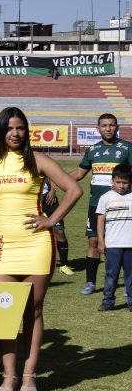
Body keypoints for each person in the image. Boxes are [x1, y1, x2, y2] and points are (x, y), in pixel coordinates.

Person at [0, 107, 81, 391]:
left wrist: (50, 220)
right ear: (0, 131)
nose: (15, 133)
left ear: (27, 130)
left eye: (20, 127)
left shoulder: (38, 160)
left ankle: (29, 375)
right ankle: (8, 376)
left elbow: (73, 189)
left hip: (36, 244)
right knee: (4, 311)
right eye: (9, 128)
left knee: (33, 310)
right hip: (0, 244)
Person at [66, 114, 131, 291]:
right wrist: (57, 180)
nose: (108, 128)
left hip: (122, 205)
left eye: (111, 125)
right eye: (104, 125)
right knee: (93, 242)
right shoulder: (93, 150)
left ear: (117, 128)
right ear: (98, 129)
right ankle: (90, 283)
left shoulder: (127, 148)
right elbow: (79, 174)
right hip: (96, 205)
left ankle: (128, 286)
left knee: (124, 244)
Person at [95, 165, 132, 312]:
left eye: (125, 182)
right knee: (111, 274)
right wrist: (101, 241)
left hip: (130, 244)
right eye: (118, 182)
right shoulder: (105, 198)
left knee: (130, 276)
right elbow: (100, 221)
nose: (121, 186)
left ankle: (131, 302)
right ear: (112, 181)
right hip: (113, 244)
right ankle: (108, 301)